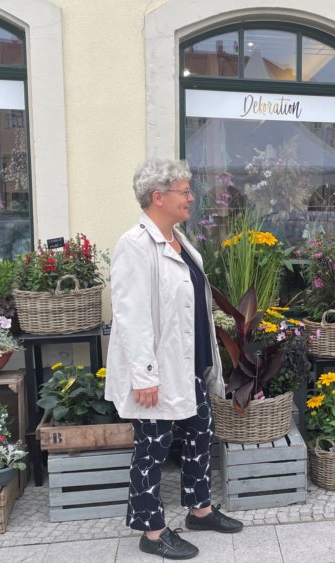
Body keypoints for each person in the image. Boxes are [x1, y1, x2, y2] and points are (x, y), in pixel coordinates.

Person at [106, 158, 243, 560]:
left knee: (201, 430)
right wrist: (144, 375)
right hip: (156, 372)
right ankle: (152, 532)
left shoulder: (180, 240)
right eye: (185, 191)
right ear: (158, 196)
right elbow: (131, 316)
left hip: (185, 366)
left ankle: (199, 510)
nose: (191, 197)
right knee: (152, 447)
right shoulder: (134, 245)